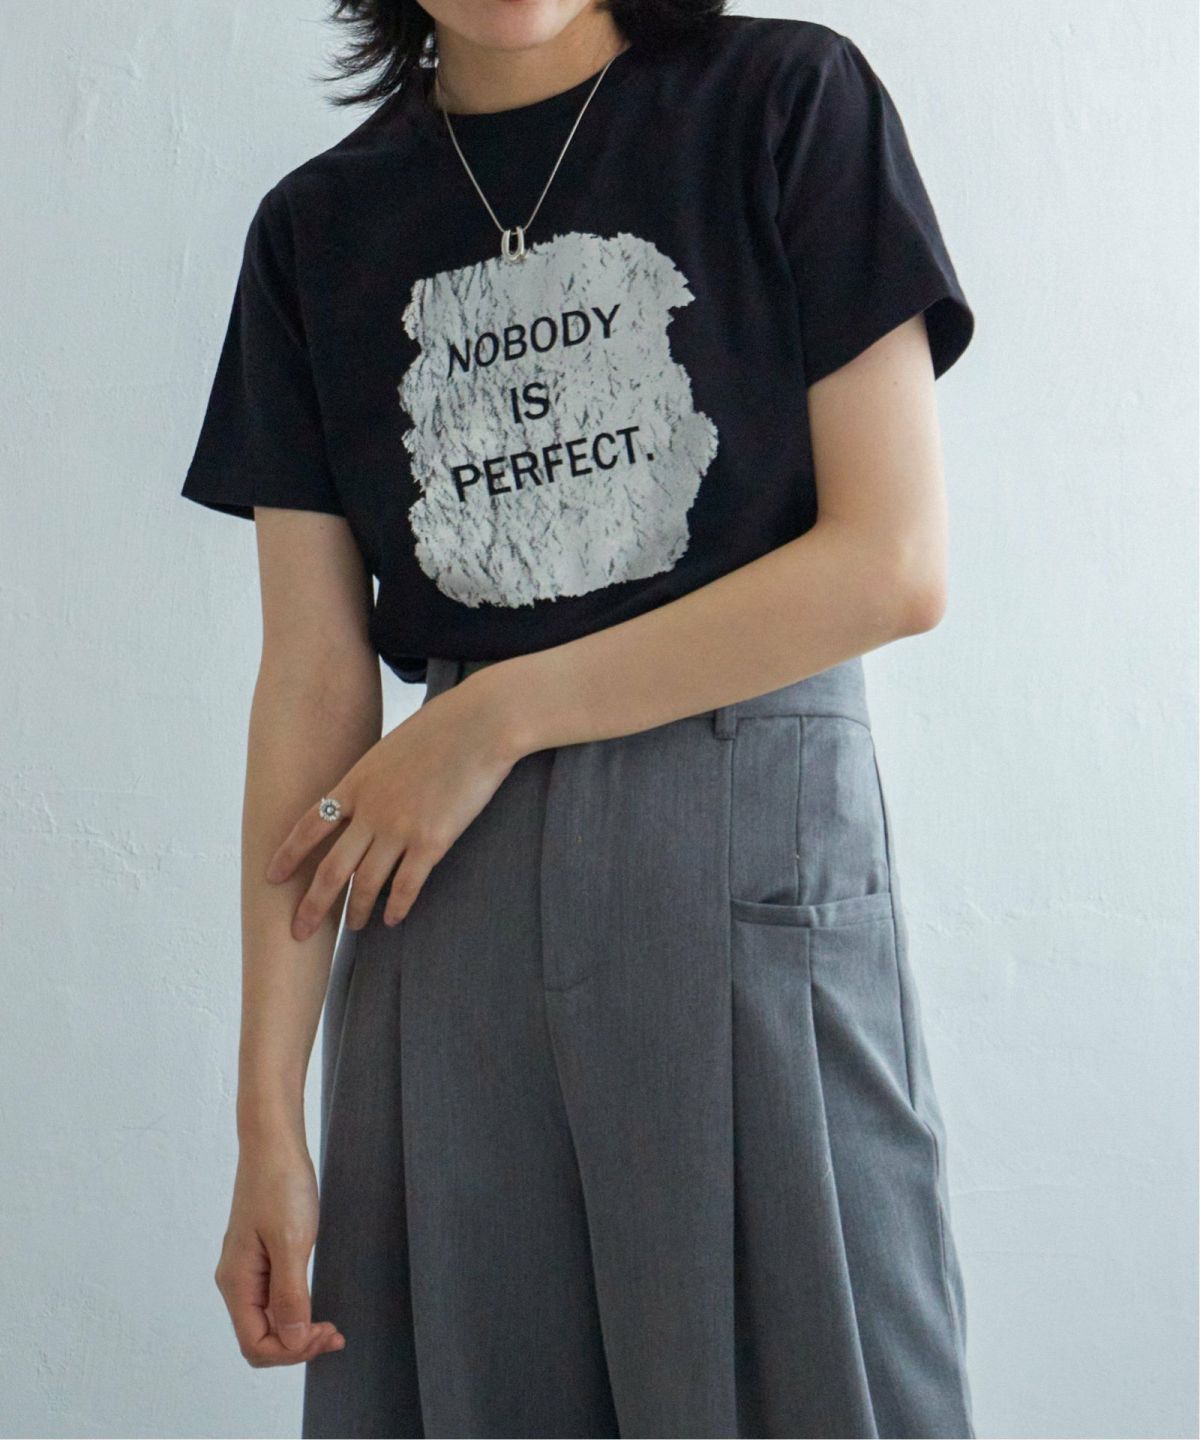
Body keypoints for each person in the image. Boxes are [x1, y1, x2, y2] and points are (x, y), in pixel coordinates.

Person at [181, 0, 978, 1435]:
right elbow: (310, 679)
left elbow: (894, 561)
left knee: (815, 1375)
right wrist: (266, 1122)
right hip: (439, 897)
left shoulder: (784, 103)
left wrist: (495, 718)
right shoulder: (318, 230)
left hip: (733, 845)